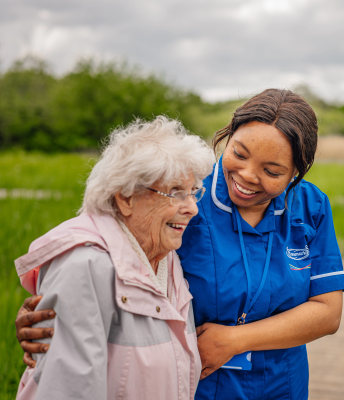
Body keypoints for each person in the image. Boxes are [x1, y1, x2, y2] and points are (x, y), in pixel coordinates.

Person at [16, 89, 344, 399]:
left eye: (272, 171)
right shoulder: (186, 195)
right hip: (199, 386)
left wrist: (233, 340)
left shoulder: (310, 206)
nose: (247, 175)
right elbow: (115, 252)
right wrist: (61, 315)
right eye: (239, 153)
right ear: (227, 137)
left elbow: (327, 313)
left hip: (282, 383)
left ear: (296, 174)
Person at [13, 116, 215, 399]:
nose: (192, 208)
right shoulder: (83, 266)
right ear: (126, 197)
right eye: (175, 193)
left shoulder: (165, 256)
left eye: (193, 192)